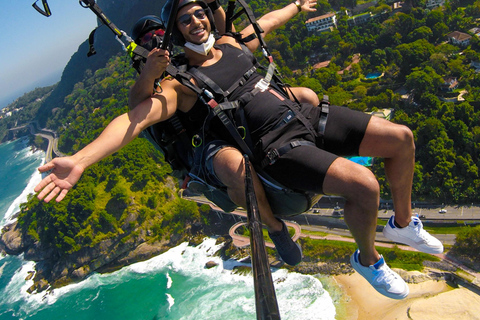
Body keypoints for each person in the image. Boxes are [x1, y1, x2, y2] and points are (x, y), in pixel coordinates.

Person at [34, 0, 443, 300]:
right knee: (364, 185)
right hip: (274, 146)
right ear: (175, 33)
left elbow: (265, 23)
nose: (195, 21)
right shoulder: (182, 82)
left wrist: (297, 7)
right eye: (184, 19)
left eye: (199, 13)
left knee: (401, 138)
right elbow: (134, 119)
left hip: (301, 117)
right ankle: (366, 259)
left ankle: (403, 223)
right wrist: (81, 160)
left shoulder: (231, 43)